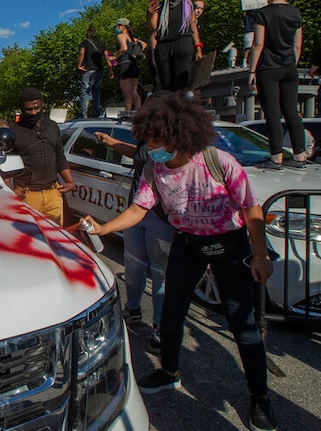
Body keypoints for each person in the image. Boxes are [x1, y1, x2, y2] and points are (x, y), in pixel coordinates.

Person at [79, 91, 277, 431]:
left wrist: (259, 256)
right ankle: (169, 371)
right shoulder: (155, 170)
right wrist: (103, 227)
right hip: (188, 244)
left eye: (160, 140)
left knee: (243, 325)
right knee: (172, 313)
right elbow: (137, 210)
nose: (153, 146)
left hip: (230, 246)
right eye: (150, 139)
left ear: (182, 135)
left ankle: (260, 397)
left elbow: (250, 208)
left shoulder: (218, 161)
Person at [95, 129, 175, 353]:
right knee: (132, 264)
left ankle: (160, 327)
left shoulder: (175, 148)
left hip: (162, 217)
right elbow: (138, 153)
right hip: (137, 208)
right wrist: (112, 143)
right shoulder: (147, 145)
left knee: (160, 274)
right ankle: (133, 309)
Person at [248, 0, 308, 171]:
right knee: (291, 111)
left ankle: (276, 157)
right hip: (289, 66)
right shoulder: (295, 12)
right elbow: (297, 45)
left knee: (272, 113)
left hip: (268, 67)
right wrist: (291, 62)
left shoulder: (263, 13)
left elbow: (258, 44)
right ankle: (300, 155)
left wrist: (252, 71)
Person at [10, 88, 75, 226]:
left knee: (56, 238)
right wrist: (11, 191)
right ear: (21, 108)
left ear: (42, 105)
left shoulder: (52, 127)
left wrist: (69, 181)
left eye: (37, 108)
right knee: (31, 240)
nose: (33, 112)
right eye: (29, 109)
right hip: (28, 195)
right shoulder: (14, 132)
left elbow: (60, 157)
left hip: (53, 193)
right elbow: (4, 165)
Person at [147, 0, 203, 91]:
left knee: (181, 82)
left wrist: (198, 48)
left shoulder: (188, 5)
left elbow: (193, 26)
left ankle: (181, 107)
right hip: (164, 45)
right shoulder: (161, 6)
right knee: (165, 83)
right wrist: (149, 14)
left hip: (182, 42)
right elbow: (153, 27)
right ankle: (168, 107)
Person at [112, 18, 144, 112]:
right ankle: (139, 113)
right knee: (135, 92)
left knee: (128, 95)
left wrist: (115, 56)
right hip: (133, 65)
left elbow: (124, 48)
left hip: (125, 65)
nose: (116, 28)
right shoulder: (133, 39)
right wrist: (137, 53)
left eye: (117, 26)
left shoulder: (121, 36)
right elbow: (144, 44)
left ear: (122, 26)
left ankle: (127, 115)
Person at [76, 24, 106, 118]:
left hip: (88, 69)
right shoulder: (101, 44)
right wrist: (110, 68)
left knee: (85, 91)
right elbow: (107, 56)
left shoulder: (84, 43)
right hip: (99, 70)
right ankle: (96, 112)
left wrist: (79, 65)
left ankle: (84, 113)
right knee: (96, 91)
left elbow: (82, 53)